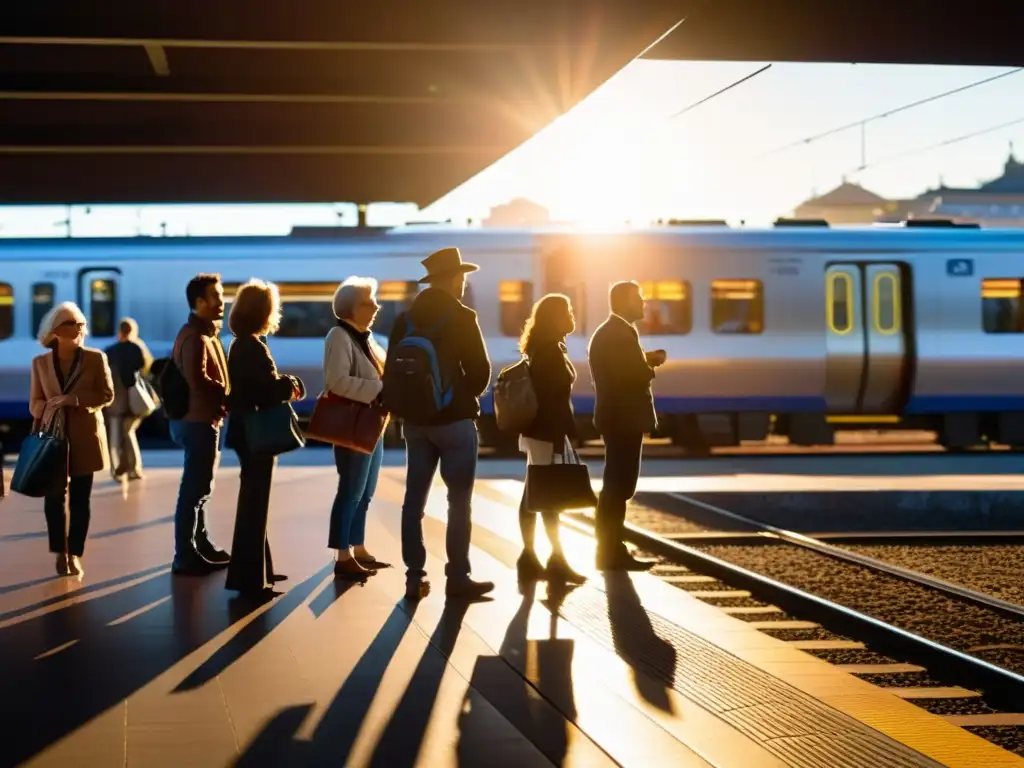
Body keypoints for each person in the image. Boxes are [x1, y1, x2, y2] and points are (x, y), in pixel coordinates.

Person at [388, 247, 494, 601]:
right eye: (461, 278)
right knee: (458, 500)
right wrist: (454, 396)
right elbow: (480, 372)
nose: (464, 285)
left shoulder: (404, 320)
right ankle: (458, 578)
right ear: (452, 279)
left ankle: (414, 576)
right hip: (454, 423)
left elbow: (393, 371)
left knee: (413, 500)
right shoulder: (463, 316)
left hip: (415, 425)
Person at [223, 279, 305, 597]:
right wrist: (288, 384)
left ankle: (259, 571)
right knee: (255, 504)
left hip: (245, 431)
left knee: (254, 502)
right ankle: (250, 580)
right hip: (254, 432)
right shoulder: (252, 346)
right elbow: (261, 391)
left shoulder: (242, 342)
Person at [29, 302, 115, 577]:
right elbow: (34, 403)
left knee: (80, 499)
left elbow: (106, 395)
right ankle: (59, 552)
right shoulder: (40, 363)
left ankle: (75, 553)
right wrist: (50, 406)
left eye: (80, 324)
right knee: (54, 499)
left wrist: (74, 400)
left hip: (84, 438)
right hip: (53, 439)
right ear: (55, 331)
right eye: (71, 324)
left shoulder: (95, 358)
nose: (78, 328)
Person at [587, 281, 667, 571]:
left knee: (616, 485)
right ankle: (610, 552)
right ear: (623, 301)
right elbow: (628, 376)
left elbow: (619, 369)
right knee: (619, 486)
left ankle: (610, 549)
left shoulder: (609, 332)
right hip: (623, 418)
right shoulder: (621, 333)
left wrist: (642, 361)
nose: (644, 302)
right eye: (639, 298)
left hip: (616, 417)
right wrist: (651, 364)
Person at [515, 294, 587, 585]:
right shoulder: (548, 352)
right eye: (567, 311)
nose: (572, 315)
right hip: (546, 432)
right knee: (547, 498)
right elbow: (549, 400)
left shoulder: (546, 347)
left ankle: (532, 558)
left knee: (535, 494)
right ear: (554, 317)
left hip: (540, 432)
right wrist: (560, 436)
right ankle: (554, 560)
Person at [324, 277, 390, 581]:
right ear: (350, 307)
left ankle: (359, 546)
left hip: (373, 423)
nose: (376, 305)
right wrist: (380, 389)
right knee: (351, 489)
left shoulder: (368, 337)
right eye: (368, 301)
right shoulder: (339, 336)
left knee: (366, 490)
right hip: (354, 423)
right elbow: (337, 381)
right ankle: (342, 554)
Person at [169, 273, 232, 576]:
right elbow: (198, 381)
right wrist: (230, 394)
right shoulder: (196, 336)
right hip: (197, 421)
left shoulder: (204, 332)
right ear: (199, 302)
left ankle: (201, 544)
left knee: (200, 488)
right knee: (194, 490)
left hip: (201, 419)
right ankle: (185, 555)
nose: (222, 302)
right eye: (216, 296)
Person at [104, 317, 153, 481]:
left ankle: (121, 468)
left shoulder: (110, 350)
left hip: (115, 401)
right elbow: (146, 369)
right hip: (135, 399)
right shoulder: (138, 349)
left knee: (117, 436)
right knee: (128, 431)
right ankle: (132, 467)